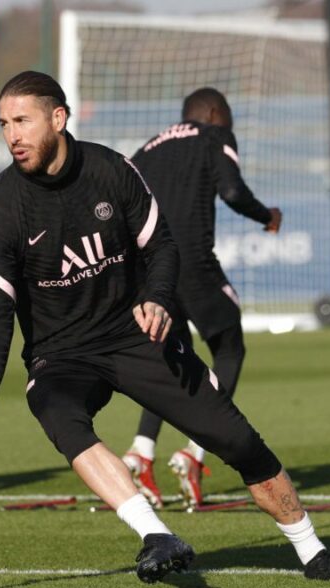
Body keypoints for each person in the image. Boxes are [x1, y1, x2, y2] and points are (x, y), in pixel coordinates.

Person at [0, 71, 330, 584]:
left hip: (135, 334)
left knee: (240, 442)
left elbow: (162, 245)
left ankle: (314, 552)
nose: (11, 136)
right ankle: (155, 534)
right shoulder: (1, 212)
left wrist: (159, 299)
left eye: (22, 121)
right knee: (56, 410)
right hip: (62, 352)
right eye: (3, 123)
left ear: (58, 117)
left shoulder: (112, 170)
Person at [121, 88, 282, 510]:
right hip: (191, 263)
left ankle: (141, 451)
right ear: (213, 114)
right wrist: (267, 215)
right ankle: (193, 451)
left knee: (173, 357)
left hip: (148, 272)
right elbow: (231, 191)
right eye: (227, 119)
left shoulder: (146, 149)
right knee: (229, 349)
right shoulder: (213, 136)